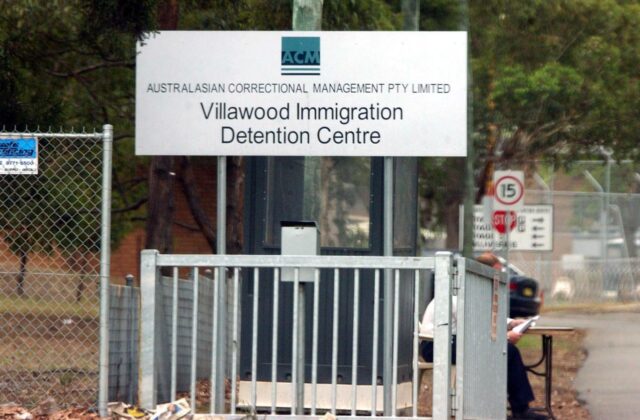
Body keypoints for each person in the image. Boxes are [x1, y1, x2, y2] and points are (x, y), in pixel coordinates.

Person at [419, 255, 547, 420]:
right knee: (507, 351)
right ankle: (518, 410)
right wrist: (506, 337)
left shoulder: (474, 288)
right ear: (484, 272)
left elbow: (482, 318)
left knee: (506, 351)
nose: (500, 278)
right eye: (497, 273)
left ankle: (513, 409)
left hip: (454, 341)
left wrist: (511, 323)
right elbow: (476, 329)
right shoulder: (462, 292)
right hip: (436, 345)